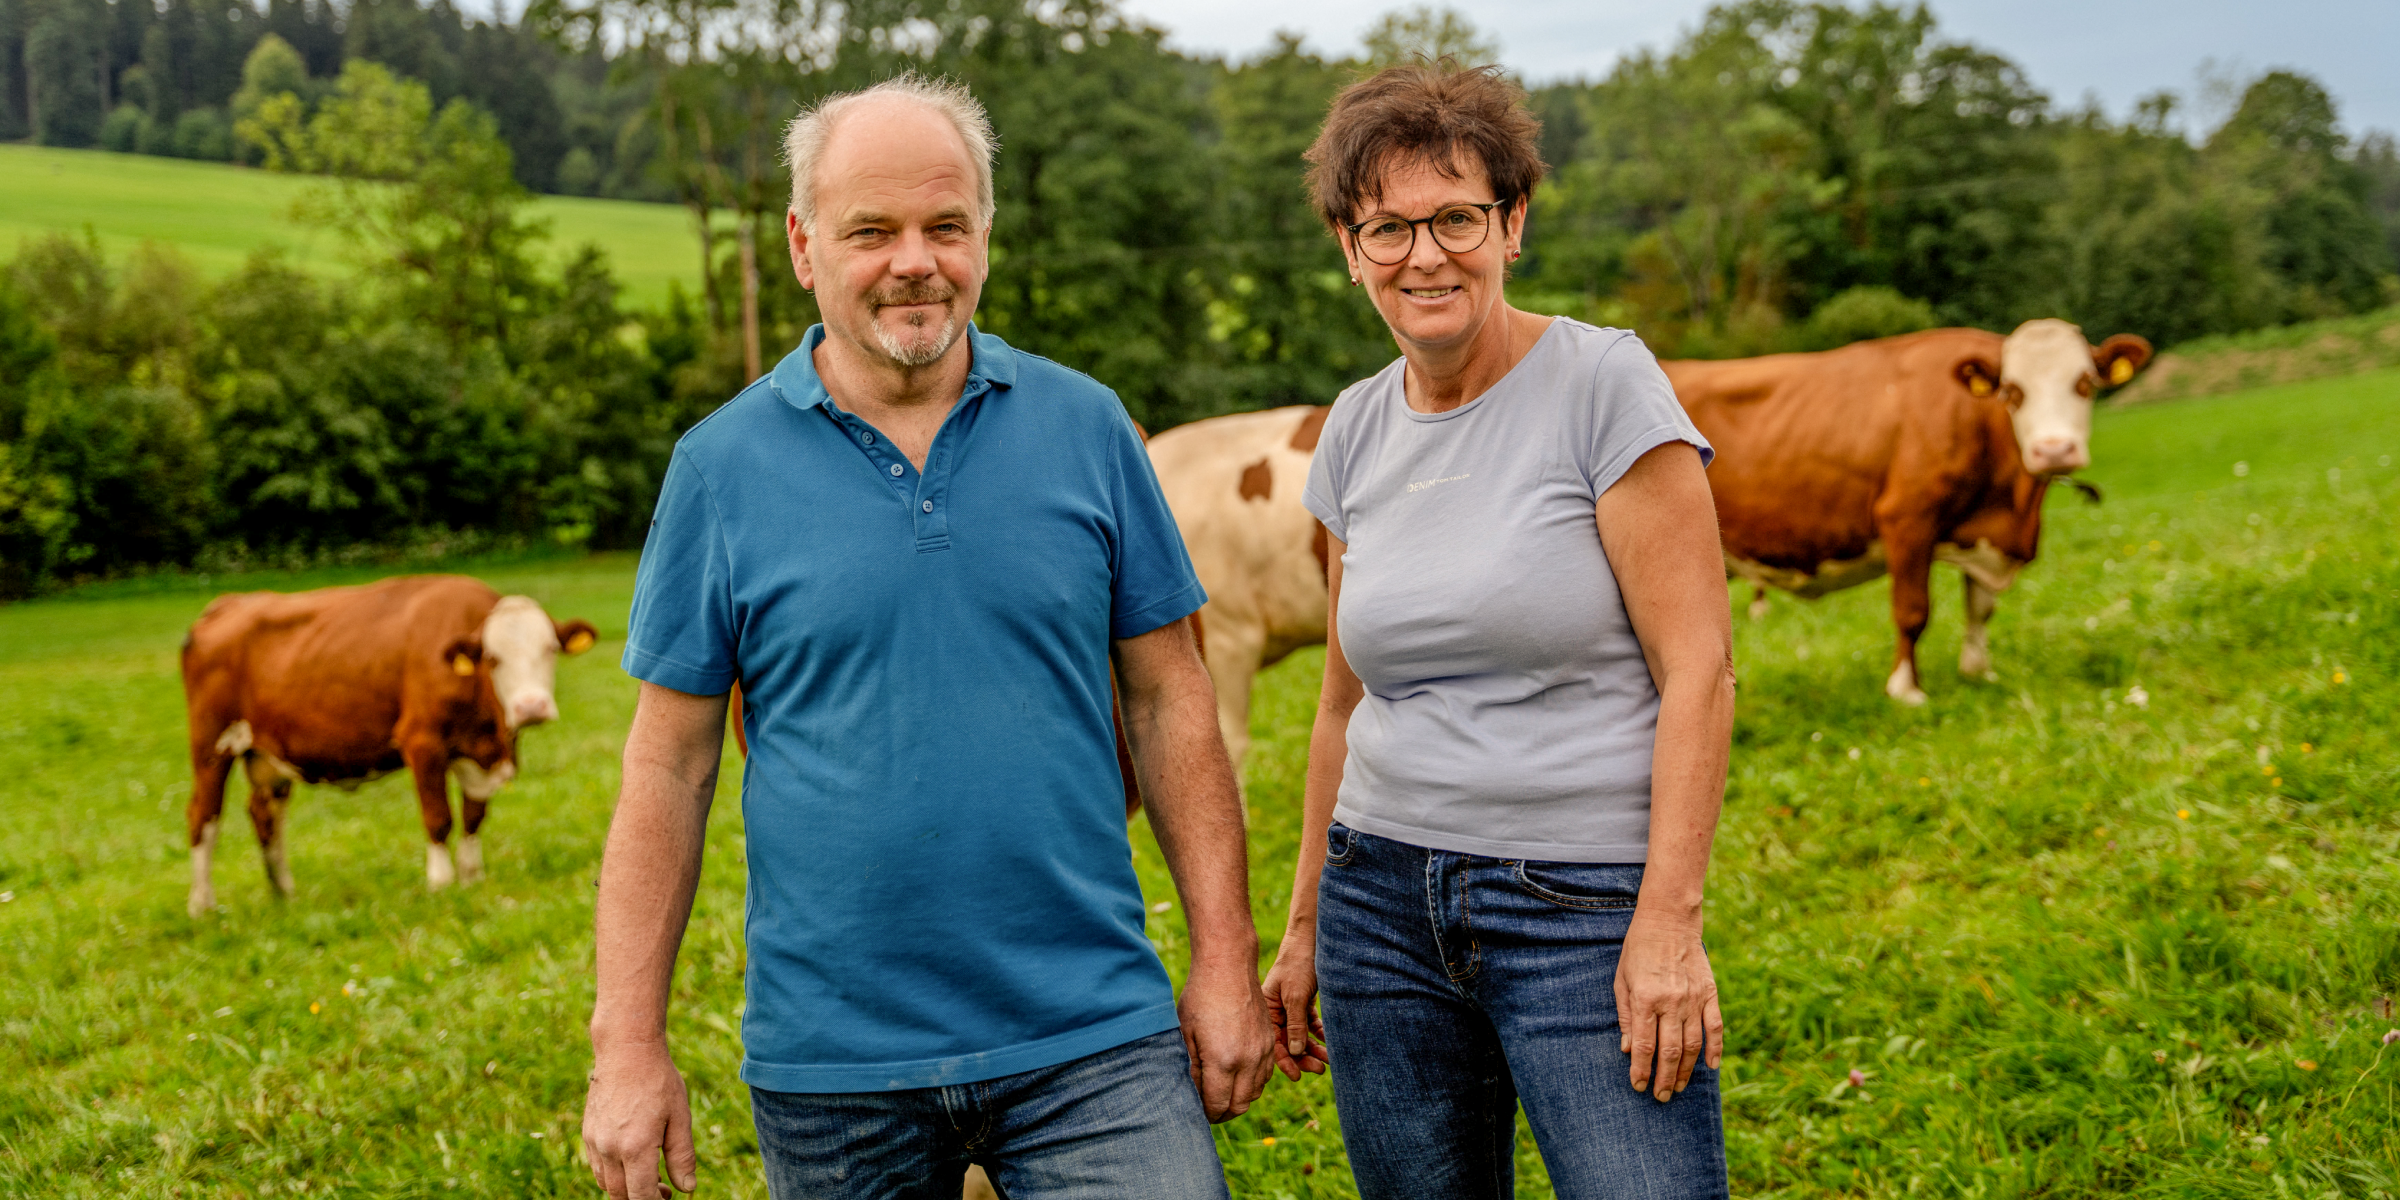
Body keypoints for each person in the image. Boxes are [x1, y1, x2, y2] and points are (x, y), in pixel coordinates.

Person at [579, 73, 1274, 1200]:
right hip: (835, 1067)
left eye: (945, 225)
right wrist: (627, 1048)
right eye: (873, 231)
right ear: (805, 246)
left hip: (1094, 1038)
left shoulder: (1091, 428)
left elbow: (1168, 695)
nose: (916, 260)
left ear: (984, 236)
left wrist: (1224, 962)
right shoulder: (718, 469)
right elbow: (669, 764)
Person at [1258, 62, 1739, 1199]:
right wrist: (1305, 927)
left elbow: (1701, 670)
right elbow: (1343, 703)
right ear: (1349, 246)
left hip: (1578, 909)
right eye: (1388, 227)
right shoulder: (1355, 433)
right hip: (1378, 906)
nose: (1425, 255)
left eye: (1457, 217)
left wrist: (1668, 923)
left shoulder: (1604, 386)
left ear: (1511, 222)